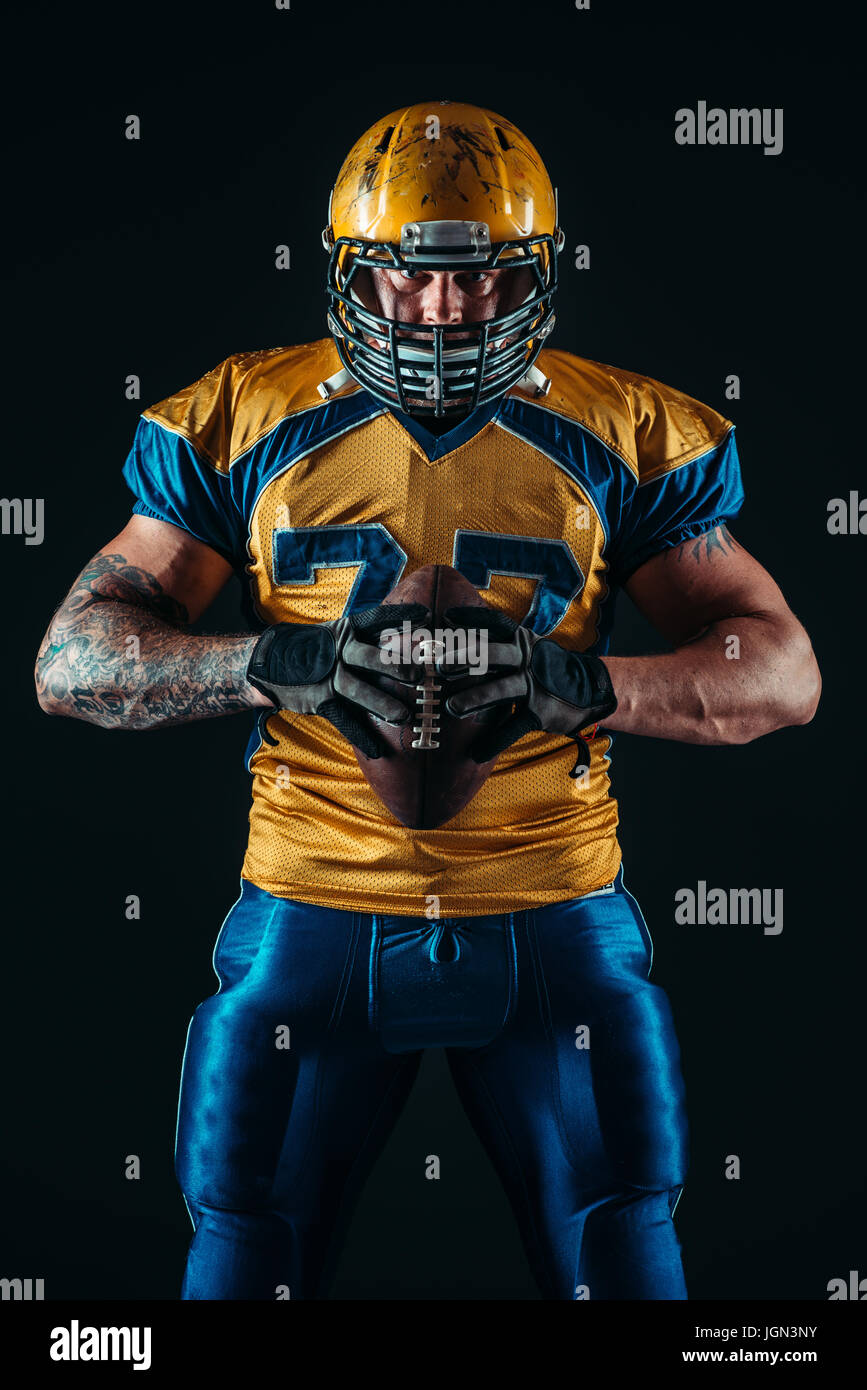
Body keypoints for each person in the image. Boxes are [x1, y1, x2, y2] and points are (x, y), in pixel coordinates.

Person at [34, 100, 821, 1300]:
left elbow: (784, 671)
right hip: (313, 899)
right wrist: (261, 663)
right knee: (244, 1260)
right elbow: (72, 660)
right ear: (351, 271)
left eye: (487, 277)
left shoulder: (620, 428)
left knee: (626, 1261)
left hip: (551, 902)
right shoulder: (248, 416)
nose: (445, 310)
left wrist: (588, 683)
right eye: (406, 280)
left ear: (538, 274)